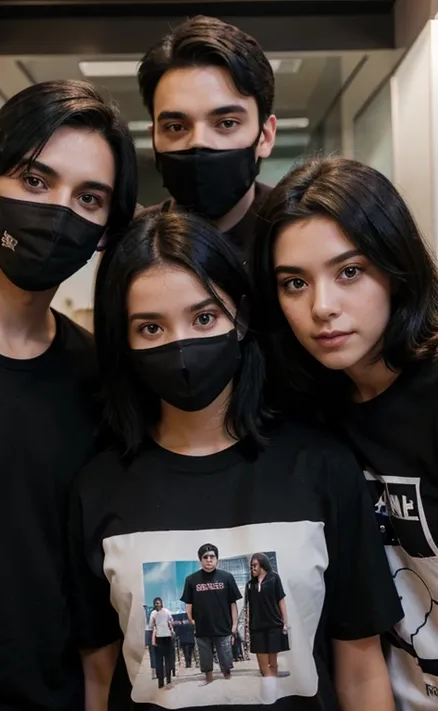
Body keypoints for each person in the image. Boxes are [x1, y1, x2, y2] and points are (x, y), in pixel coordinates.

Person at [69, 208, 402, 711]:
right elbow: (99, 677)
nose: (181, 346)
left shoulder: (322, 466)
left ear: (241, 317)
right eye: (151, 328)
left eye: (204, 317)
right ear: (124, 341)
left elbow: (359, 669)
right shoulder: (96, 488)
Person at [0, 79, 137, 710]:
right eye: (35, 181)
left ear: (102, 233)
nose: (60, 210)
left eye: (88, 198)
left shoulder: (101, 379)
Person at [253, 155, 438, 711]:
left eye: (350, 271)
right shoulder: (307, 410)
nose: (322, 308)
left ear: (396, 265)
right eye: (294, 283)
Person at [137, 15, 277, 260]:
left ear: (265, 136)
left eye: (226, 123)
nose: (198, 141)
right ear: (154, 138)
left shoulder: (300, 235)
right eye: (176, 127)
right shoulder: (135, 244)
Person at [181, 544, 241, 684]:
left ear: (217, 559)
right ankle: (209, 680)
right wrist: (191, 619)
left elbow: (233, 603)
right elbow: (188, 602)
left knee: (226, 660)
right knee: (205, 659)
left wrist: (235, 624)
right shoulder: (191, 580)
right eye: (205, 557)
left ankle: (228, 680)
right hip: (202, 628)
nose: (209, 560)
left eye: (212, 557)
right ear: (200, 560)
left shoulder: (227, 577)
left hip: (224, 627)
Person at [245, 553, 289, 678]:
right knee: (263, 666)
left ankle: (273, 688)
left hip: (273, 624)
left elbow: (281, 600)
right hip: (257, 626)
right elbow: (249, 607)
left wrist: (285, 622)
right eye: (251, 566)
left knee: (273, 663)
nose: (252, 568)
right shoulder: (250, 584)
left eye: (255, 565)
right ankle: (270, 681)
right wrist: (248, 626)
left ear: (262, 564)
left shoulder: (274, 578)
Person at [149, 598, 175, 689]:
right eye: (156, 603)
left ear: (161, 604)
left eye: (158, 603)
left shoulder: (165, 612)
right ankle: (161, 682)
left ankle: (168, 679)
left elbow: (170, 622)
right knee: (159, 660)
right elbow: (151, 626)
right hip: (159, 638)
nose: (157, 605)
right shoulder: (153, 613)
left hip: (166, 637)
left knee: (167, 659)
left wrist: (171, 630)